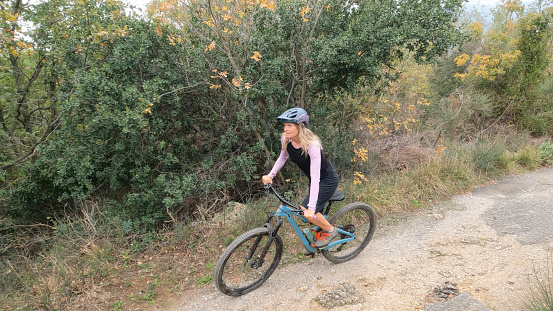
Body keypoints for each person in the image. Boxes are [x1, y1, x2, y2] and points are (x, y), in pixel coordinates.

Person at [262, 107, 340, 248]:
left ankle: (331, 230)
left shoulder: (312, 146)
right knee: (307, 215)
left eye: (289, 125)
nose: (285, 128)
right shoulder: (286, 139)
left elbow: (316, 176)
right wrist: (270, 175)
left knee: (307, 211)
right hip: (314, 180)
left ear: (301, 126)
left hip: (327, 179)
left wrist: (310, 208)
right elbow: (282, 157)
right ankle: (315, 239)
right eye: (285, 125)